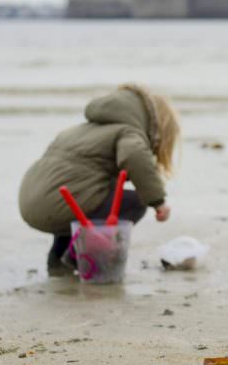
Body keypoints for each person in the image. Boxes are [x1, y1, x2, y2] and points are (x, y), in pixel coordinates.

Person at [19, 84, 179, 276]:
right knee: (135, 203)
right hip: (60, 202)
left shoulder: (78, 131)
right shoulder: (126, 132)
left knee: (83, 196)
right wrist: (157, 200)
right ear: (152, 122)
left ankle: (58, 258)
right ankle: (80, 255)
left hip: (32, 202)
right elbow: (134, 155)